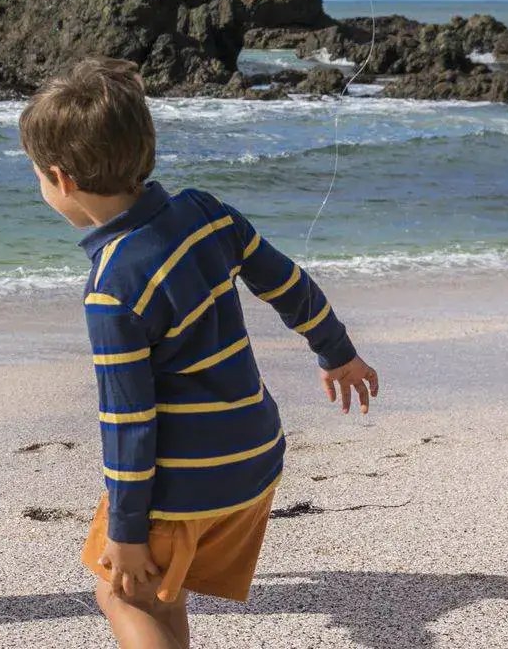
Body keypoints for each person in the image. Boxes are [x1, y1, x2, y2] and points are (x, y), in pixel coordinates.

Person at [19, 57, 381, 649]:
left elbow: (129, 421)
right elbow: (287, 283)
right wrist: (336, 352)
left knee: (119, 590)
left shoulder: (111, 290)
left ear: (60, 179)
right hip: (255, 456)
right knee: (163, 591)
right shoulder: (205, 212)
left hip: (187, 481)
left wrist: (128, 530)